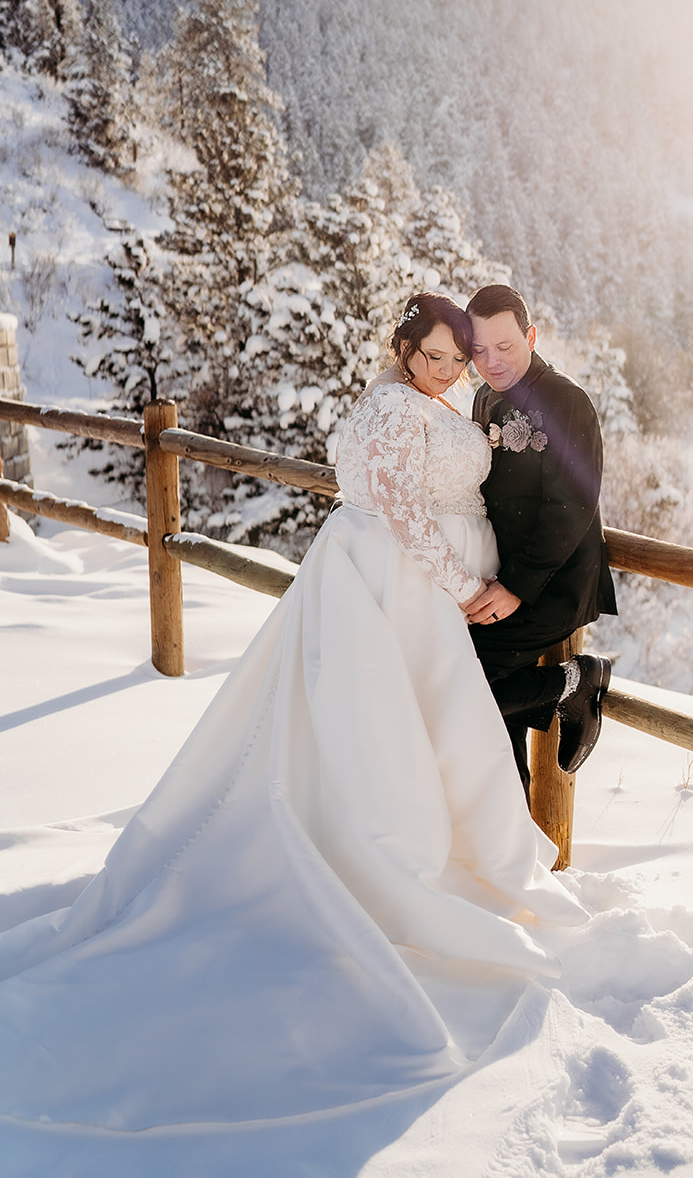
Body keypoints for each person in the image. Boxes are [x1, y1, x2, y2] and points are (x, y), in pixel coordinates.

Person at [0, 292, 585, 1131]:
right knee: (385, 728)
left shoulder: (434, 400)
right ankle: (395, 858)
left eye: (457, 359)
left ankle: (457, 844)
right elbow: (399, 508)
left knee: (429, 724)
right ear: (401, 350)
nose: (447, 371)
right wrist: (464, 584)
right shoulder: (392, 409)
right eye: (432, 357)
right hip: (400, 585)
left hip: (412, 591)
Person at [463, 285, 617, 798]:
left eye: (505, 346)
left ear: (531, 336)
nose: (492, 361)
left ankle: (575, 683)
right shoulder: (485, 396)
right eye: (479, 349)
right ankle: (507, 832)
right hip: (496, 572)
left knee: (469, 676)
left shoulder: (569, 403)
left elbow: (571, 510)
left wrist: (514, 587)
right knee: (453, 660)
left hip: (554, 581)